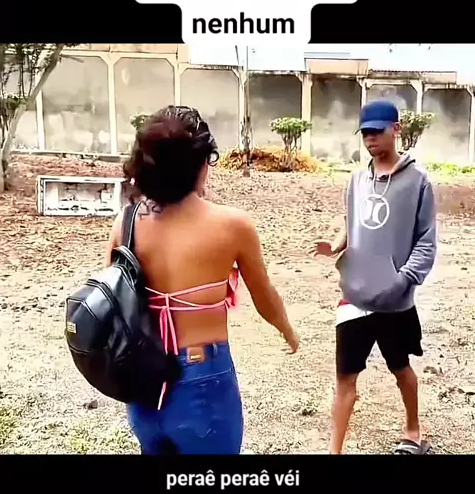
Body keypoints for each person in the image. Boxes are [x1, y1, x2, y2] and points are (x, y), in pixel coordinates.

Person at [105, 106, 299, 455]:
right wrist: (286, 329)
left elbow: (110, 297)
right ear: (202, 164)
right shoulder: (232, 225)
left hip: (143, 378)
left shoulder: (127, 220)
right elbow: (264, 295)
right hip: (202, 378)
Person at [314, 99, 437, 455]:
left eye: (376, 132)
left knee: (400, 368)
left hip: (395, 298)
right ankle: (334, 452)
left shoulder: (418, 182)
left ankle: (413, 430)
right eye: (365, 133)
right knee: (344, 377)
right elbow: (352, 221)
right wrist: (335, 244)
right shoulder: (357, 179)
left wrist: (403, 279)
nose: (369, 139)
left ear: (396, 129)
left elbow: (426, 241)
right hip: (355, 294)